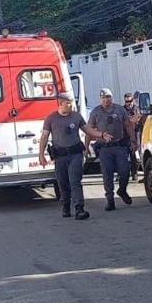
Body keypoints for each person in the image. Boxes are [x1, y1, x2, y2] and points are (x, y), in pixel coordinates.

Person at [39, 91, 103, 221]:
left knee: (75, 181)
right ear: (61, 103)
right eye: (68, 102)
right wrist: (41, 154)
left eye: (71, 102)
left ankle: (79, 208)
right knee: (63, 183)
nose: (71, 105)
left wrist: (101, 135)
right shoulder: (51, 118)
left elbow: (87, 130)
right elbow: (44, 136)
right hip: (60, 156)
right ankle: (66, 206)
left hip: (75, 154)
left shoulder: (76, 116)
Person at [89, 88, 136, 211]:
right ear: (101, 99)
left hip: (119, 146)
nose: (106, 100)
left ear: (112, 98)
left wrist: (133, 141)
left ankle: (122, 190)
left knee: (125, 171)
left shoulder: (120, 110)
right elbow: (89, 130)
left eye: (108, 97)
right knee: (107, 174)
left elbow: (128, 125)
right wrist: (86, 146)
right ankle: (110, 200)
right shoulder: (95, 112)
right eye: (104, 97)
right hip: (104, 149)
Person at [123, 92, 141, 181]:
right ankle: (122, 174)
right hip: (125, 135)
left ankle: (134, 173)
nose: (128, 103)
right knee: (123, 156)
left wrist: (129, 121)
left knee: (134, 154)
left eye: (130, 101)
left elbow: (136, 119)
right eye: (126, 101)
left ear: (133, 100)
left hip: (135, 133)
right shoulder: (122, 110)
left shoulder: (136, 109)